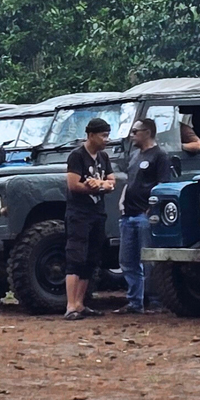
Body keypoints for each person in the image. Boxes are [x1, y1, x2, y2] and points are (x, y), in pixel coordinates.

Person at [118, 118, 173, 314]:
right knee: (127, 261)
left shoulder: (160, 156)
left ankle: (156, 302)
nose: (132, 135)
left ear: (147, 132)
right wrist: (123, 200)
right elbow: (130, 181)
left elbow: (163, 185)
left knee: (148, 260)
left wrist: (150, 211)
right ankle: (135, 302)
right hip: (128, 214)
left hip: (144, 216)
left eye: (135, 131)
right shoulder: (134, 156)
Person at [63, 117, 115, 320]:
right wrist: (94, 185)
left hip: (97, 213)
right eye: (103, 135)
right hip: (79, 213)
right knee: (75, 256)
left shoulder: (103, 157)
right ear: (91, 135)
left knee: (91, 258)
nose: (106, 139)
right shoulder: (77, 156)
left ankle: (80, 303)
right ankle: (70, 305)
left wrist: (99, 184)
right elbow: (73, 184)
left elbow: (112, 181)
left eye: (107, 135)